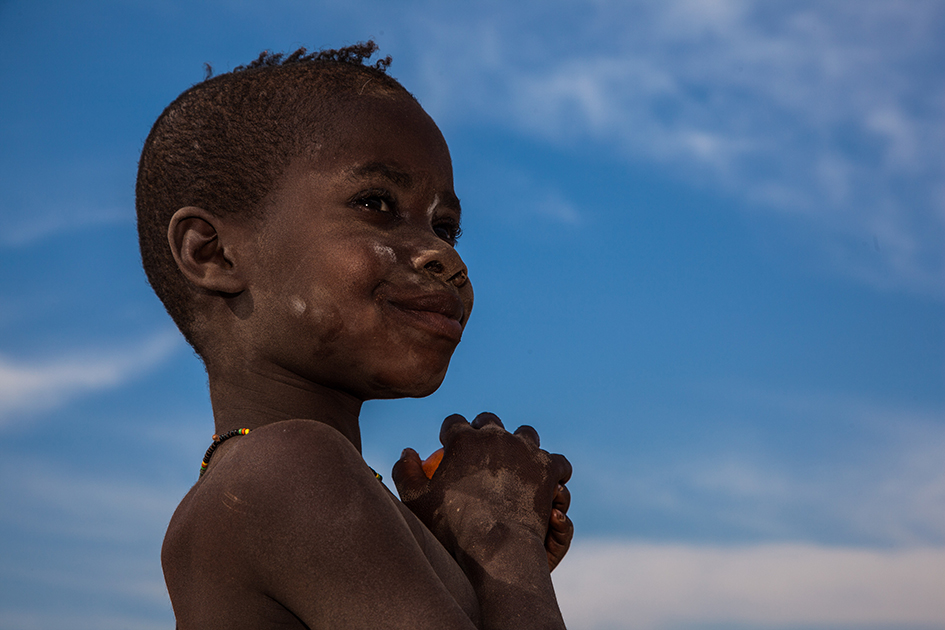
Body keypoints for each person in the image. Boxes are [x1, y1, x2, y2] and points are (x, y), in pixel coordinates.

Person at [137, 42, 573, 629]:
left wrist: (474, 565)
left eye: (446, 227)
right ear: (211, 253)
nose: (442, 255)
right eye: (377, 203)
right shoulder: (282, 470)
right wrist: (506, 547)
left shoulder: (279, 483)